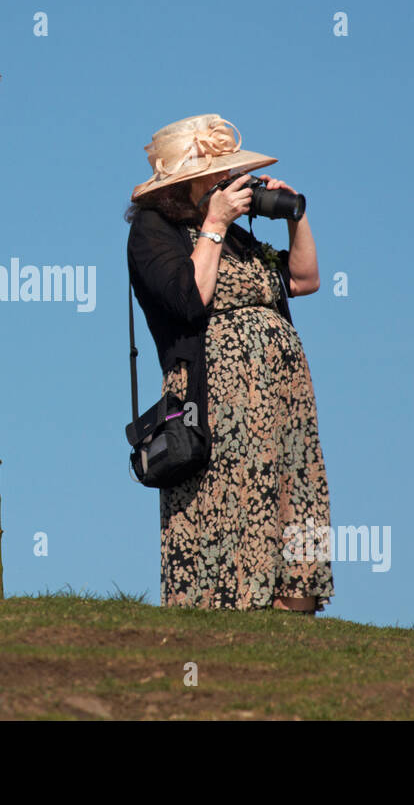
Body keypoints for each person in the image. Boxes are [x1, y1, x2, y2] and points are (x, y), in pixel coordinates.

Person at [125, 114, 333, 614]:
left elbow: (304, 280)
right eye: (218, 177)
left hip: (282, 397)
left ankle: (295, 612)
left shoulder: (239, 238)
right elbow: (191, 300)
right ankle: (227, 611)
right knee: (232, 495)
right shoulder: (155, 232)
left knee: (294, 487)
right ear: (186, 184)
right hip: (217, 398)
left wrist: (294, 216)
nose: (231, 184)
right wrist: (215, 224)